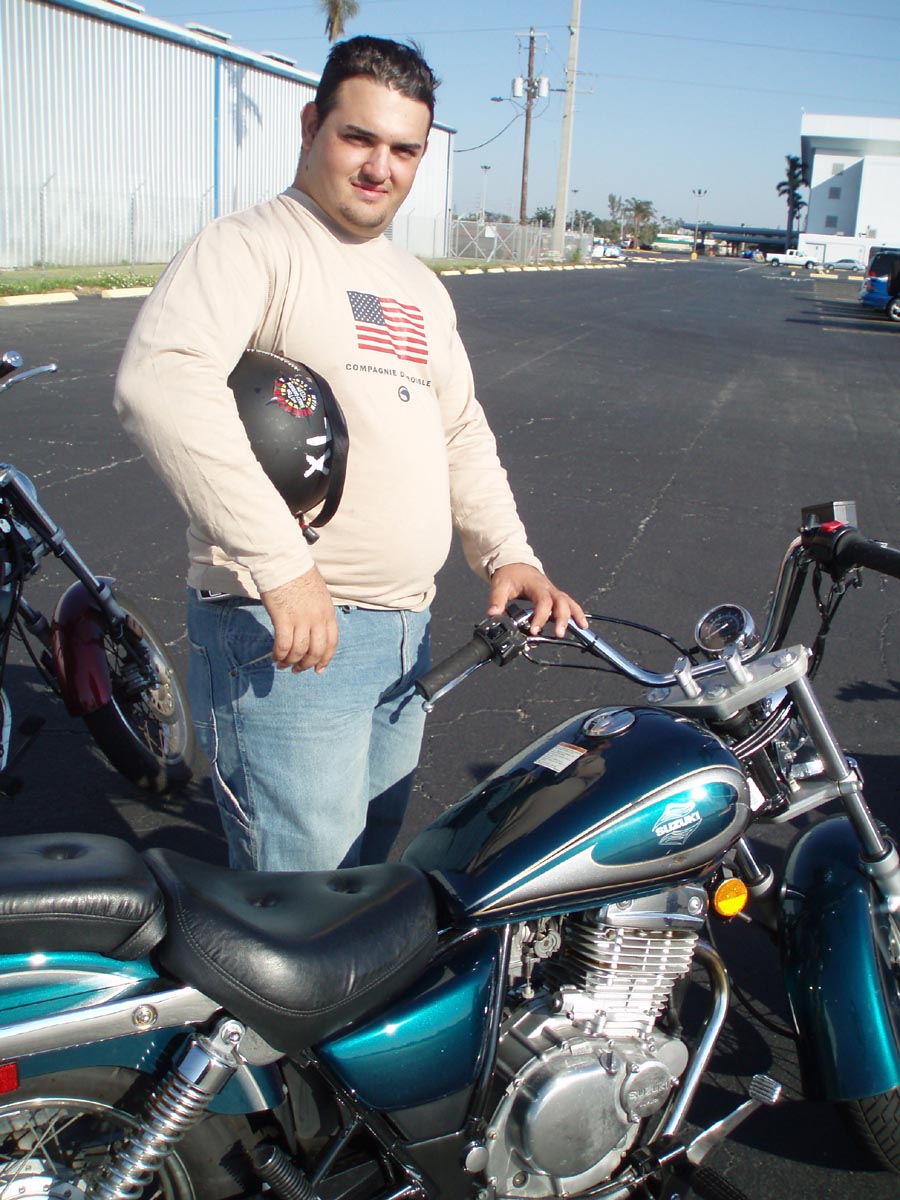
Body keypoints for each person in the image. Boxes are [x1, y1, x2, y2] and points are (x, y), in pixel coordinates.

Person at [114, 35, 586, 873]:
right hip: (289, 632)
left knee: (362, 879)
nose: (380, 168)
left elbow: (459, 428)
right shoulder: (252, 246)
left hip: (405, 632)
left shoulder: (418, 285)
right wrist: (282, 565)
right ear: (311, 127)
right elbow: (161, 383)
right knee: (301, 897)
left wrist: (507, 552)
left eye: (404, 149)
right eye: (358, 138)